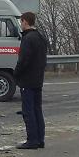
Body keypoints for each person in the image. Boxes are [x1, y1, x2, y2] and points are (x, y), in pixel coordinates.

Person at [14, 11, 48, 149]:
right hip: (38, 79)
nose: (21, 25)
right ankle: (40, 139)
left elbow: (23, 60)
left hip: (27, 80)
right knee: (37, 110)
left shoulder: (28, 39)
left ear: (25, 22)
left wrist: (16, 73)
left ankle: (32, 140)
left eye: (21, 22)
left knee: (28, 111)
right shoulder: (40, 37)